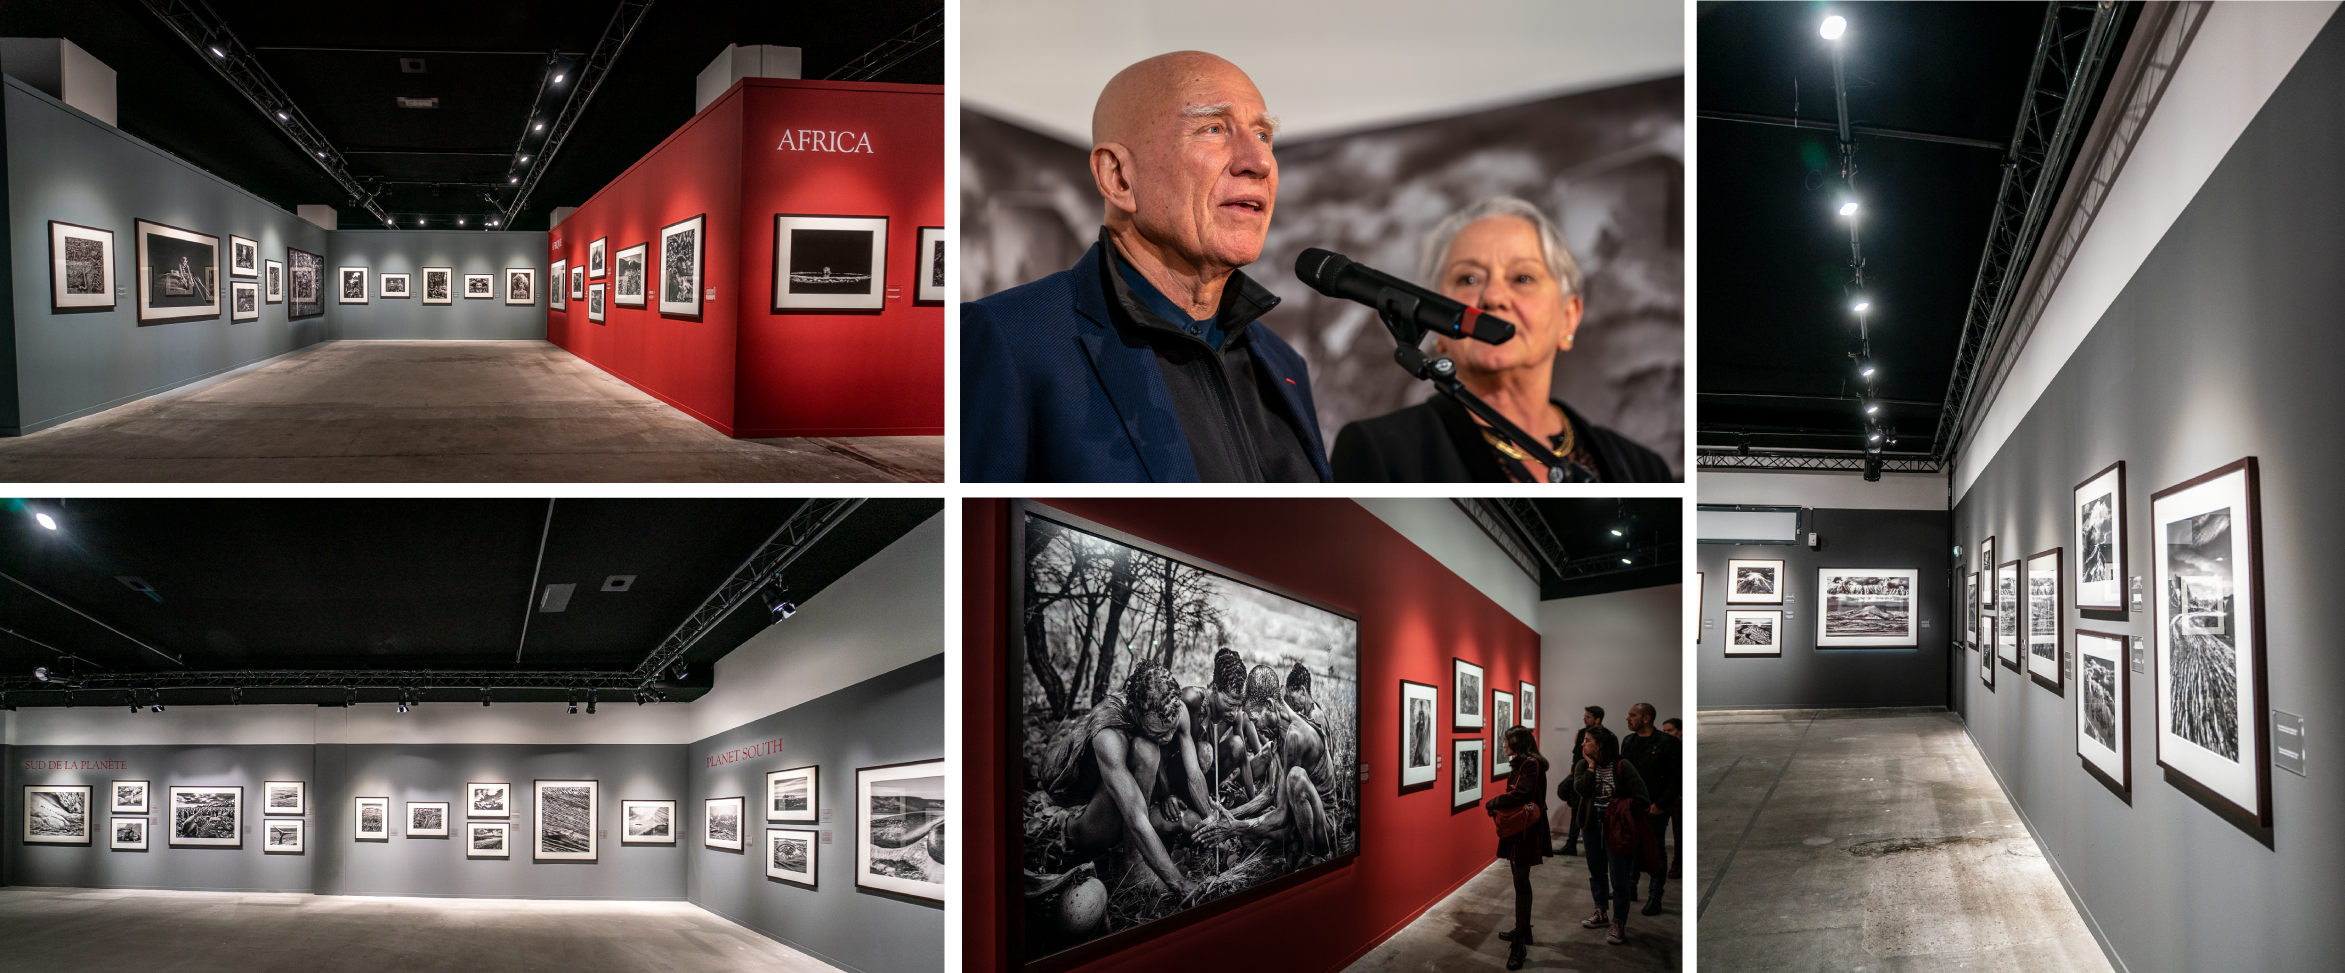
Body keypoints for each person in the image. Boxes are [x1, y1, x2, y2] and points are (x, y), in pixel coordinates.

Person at [960, 51, 1330, 482]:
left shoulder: (1284, 364)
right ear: (1118, 177)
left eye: (1264, 135)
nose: (1259, 162)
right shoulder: (1012, 339)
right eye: (1213, 128)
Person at [1330, 196, 1674, 482]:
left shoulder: (1644, 469)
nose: (1493, 297)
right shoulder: (1380, 450)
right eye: (1468, 279)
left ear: (1569, 316)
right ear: (1434, 323)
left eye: (1523, 277)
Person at [1030, 662, 1235, 898]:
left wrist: (1211, 819)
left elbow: (1194, 774)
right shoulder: (1109, 736)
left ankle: (1140, 852)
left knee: (1191, 821)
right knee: (1147, 750)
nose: (1168, 738)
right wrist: (1178, 883)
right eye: (1159, 733)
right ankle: (1131, 867)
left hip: (1137, 805)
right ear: (1135, 713)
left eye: (1171, 729)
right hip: (1091, 819)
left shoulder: (1175, 709)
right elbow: (1136, 819)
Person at [1197, 664, 1334, 862]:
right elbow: (1269, 793)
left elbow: (1283, 814)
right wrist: (1227, 816)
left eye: (1255, 719)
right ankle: (1293, 845)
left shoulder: (1296, 735)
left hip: (1323, 825)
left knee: (1296, 777)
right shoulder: (1280, 736)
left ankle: (1311, 854)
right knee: (1247, 840)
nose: (1257, 728)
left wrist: (1234, 827)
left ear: (1270, 705)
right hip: (1299, 821)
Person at [1569, 725, 1650, 945]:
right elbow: (1582, 790)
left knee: (1619, 877)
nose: (1583, 744)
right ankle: (1601, 912)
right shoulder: (1582, 765)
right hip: (1591, 824)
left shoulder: (1623, 765)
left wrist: (1621, 814)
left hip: (1616, 827)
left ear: (1600, 745)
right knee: (1596, 872)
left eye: (1587, 740)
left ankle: (1619, 922)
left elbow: (1642, 797)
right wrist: (1592, 767)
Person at [1485, 725, 1551, 971]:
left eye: (1506, 742)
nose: (1503, 746)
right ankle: (1523, 931)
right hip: (1519, 830)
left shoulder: (1530, 765)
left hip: (1525, 831)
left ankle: (1520, 943)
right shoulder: (1523, 764)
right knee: (1520, 883)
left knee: (1521, 884)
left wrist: (1494, 802)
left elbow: (1522, 795)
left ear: (1517, 743)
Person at [1621, 703, 1680, 915]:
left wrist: (1661, 804)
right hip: (1631, 807)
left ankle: (1655, 896)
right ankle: (1631, 888)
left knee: (1656, 852)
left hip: (1654, 808)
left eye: (1632, 715)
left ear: (1646, 718)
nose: (1628, 718)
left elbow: (1677, 777)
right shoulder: (1628, 741)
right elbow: (1623, 774)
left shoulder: (1667, 743)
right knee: (1631, 849)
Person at [1559, 705, 1605, 855]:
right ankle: (1571, 844)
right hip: (1578, 774)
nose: (1584, 719)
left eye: (1587, 717)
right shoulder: (1581, 733)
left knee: (1582, 810)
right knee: (1563, 792)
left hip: (1593, 777)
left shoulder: (1606, 735)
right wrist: (1574, 769)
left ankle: (1573, 844)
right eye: (1584, 716)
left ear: (1597, 719)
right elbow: (1577, 753)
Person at [1662, 717, 1692, 880]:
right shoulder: (1666, 748)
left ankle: (1678, 864)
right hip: (1667, 795)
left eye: (1670, 730)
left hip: (1678, 796)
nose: (1666, 734)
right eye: (1664, 731)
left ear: (1681, 731)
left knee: (1680, 833)